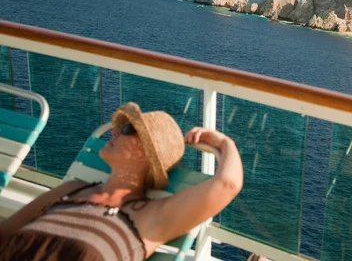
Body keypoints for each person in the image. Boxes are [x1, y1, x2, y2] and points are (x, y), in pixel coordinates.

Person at [0, 102, 243, 260]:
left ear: (150, 153)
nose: (114, 132)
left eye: (127, 130)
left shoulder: (152, 217)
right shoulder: (72, 190)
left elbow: (227, 184)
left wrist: (224, 143)